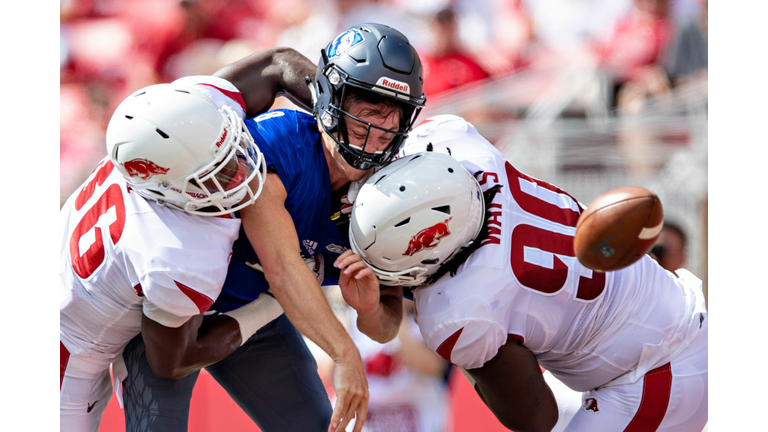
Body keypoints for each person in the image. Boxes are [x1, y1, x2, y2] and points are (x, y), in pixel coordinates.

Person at [120, 23, 426, 432]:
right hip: (170, 311)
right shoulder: (285, 138)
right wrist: (345, 353)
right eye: (367, 111)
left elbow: (385, 325)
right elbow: (282, 269)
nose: (378, 132)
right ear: (333, 100)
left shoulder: (389, 192)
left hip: (253, 317)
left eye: (393, 116)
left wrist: (368, 307)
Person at [336, 114, 708, 431]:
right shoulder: (451, 139)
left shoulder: (459, 311)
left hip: (653, 369)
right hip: (672, 310)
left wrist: (476, 358)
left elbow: (534, 418)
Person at [59, 46, 319, 431]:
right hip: (68, 350)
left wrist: (338, 123)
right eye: (216, 173)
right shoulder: (174, 250)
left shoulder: (192, 111)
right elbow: (174, 361)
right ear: (165, 189)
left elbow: (277, 63)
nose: (241, 169)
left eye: (231, 147)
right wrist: (273, 303)